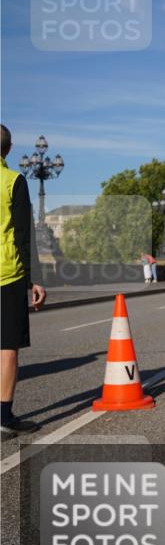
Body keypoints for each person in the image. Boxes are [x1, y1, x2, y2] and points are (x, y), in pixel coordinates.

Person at [1, 124, 46, 438]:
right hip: (8, 274)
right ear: (9, 148)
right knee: (6, 347)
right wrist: (35, 281)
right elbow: (23, 235)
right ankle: (3, 418)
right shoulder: (13, 181)